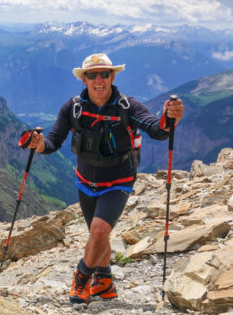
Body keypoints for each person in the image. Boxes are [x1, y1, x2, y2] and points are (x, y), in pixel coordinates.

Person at [27, 53, 183, 304]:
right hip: (85, 181)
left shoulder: (128, 106)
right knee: (98, 235)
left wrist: (168, 118)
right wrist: (38, 144)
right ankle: (104, 281)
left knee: (98, 231)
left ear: (112, 76)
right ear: (84, 79)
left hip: (119, 180)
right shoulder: (73, 107)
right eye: (92, 75)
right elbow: (53, 141)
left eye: (104, 74)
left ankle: (81, 278)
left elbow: (157, 130)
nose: (99, 79)